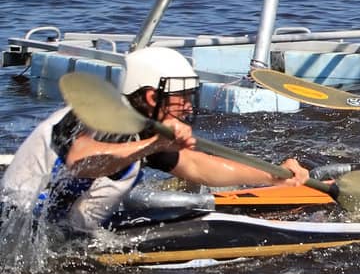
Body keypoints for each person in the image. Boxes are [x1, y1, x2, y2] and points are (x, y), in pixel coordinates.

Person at [1, 48, 309, 233]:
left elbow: (197, 167)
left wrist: (273, 177)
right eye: (182, 97)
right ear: (151, 96)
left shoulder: (142, 127)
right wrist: (151, 147)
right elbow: (81, 162)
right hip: (20, 225)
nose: (188, 105)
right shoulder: (100, 117)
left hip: (60, 225)